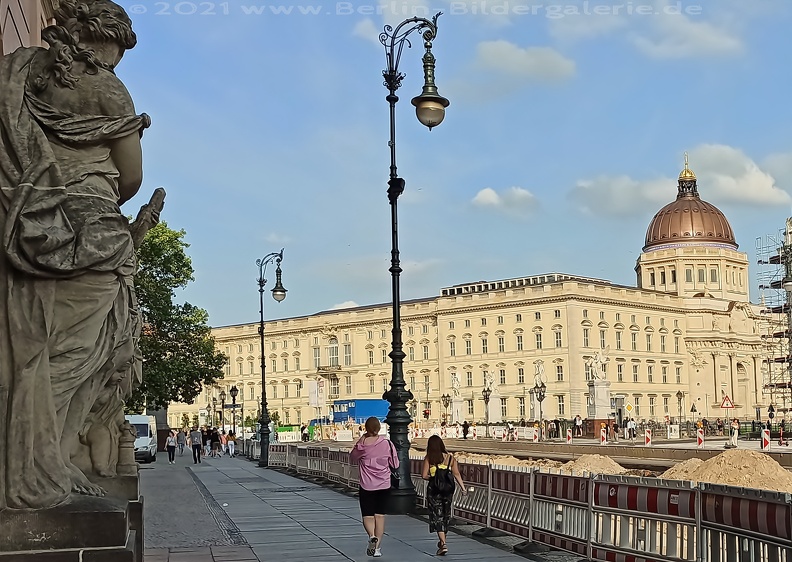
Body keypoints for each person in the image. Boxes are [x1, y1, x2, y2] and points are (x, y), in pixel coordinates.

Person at [0, 0, 151, 508]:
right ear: (101, 43)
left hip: (29, 220)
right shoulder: (107, 89)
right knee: (77, 355)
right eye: (111, 54)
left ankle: (42, 459)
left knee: (34, 345)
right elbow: (131, 175)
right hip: (92, 232)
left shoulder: (19, 70)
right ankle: (42, 463)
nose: (111, 65)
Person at [349, 417, 398, 558]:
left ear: (366, 428)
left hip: (367, 485)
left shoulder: (362, 445)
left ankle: (371, 536)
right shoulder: (387, 444)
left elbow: (352, 457)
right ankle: (377, 548)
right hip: (384, 484)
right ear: (379, 428)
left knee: (367, 516)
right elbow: (395, 464)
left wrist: (361, 440)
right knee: (380, 516)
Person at [421, 435, 467, 556]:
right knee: (445, 514)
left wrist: (434, 478)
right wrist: (463, 489)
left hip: (434, 490)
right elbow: (457, 474)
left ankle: (443, 543)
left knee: (437, 515)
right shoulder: (451, 459)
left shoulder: (429, 458)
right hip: (448, 491)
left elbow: (424, 475)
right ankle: (442, 543)